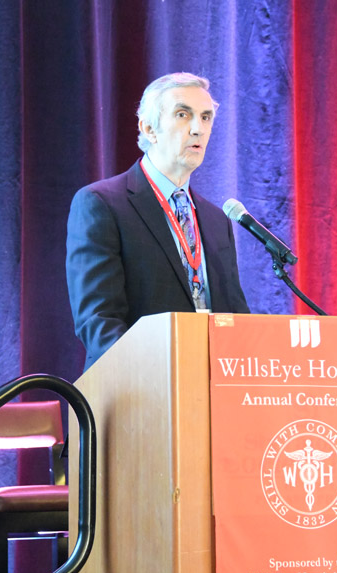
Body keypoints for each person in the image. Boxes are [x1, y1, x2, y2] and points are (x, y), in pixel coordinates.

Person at [66, 72, 249, 369]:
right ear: (149, 128)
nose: (198, 129)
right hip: (137, 385)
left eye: (205, 118)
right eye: (182, 114)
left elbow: (236, 317)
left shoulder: (217, 220)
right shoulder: (101, 204)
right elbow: (98, 320)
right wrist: (157, 378)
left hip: (211, 385)